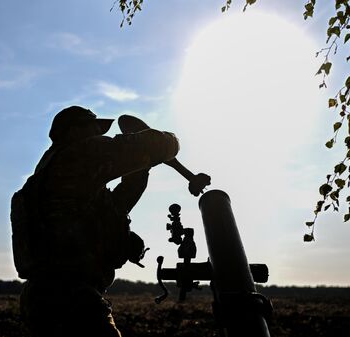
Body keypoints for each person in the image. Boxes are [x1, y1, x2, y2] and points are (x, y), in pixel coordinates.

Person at [11, 106, 210, 337]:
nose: (100, 135)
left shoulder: (52, 182)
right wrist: (166, 142)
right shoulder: (78, 156)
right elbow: (156, 145)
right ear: (75, 132)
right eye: (95, 129)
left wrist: (141, 167)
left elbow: (120, 203)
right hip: (72, 299)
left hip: (44, 301)